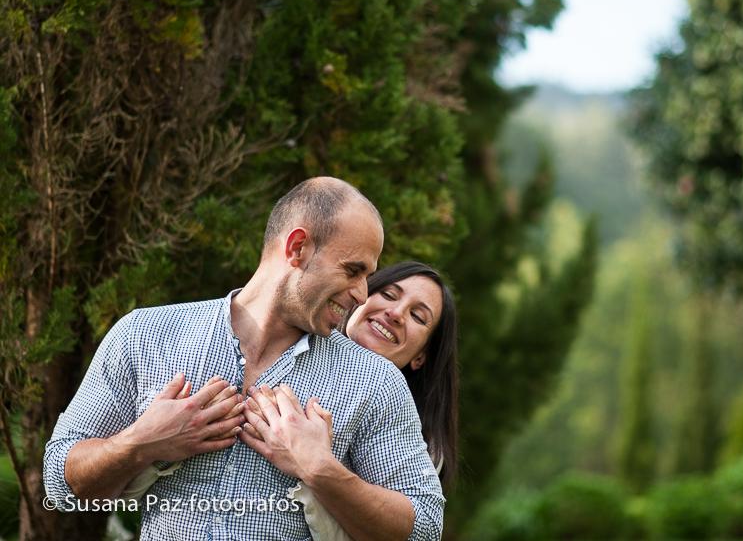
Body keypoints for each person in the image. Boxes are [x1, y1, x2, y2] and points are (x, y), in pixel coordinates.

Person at [43, 177, 443, 540]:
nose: (361, 293)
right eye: (353, 270)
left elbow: (424, 528)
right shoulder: (146, 335)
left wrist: (320, 469)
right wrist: (141, 443)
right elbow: (60, 485)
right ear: (298, 247)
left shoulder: (374, 382)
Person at [121, 261, 459, 541]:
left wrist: (316, 467)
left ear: (421, 357)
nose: (396, 313)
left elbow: (418, 528)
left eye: (418, 316)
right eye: (388, 294)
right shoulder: (266, 354)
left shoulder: (416, 444)